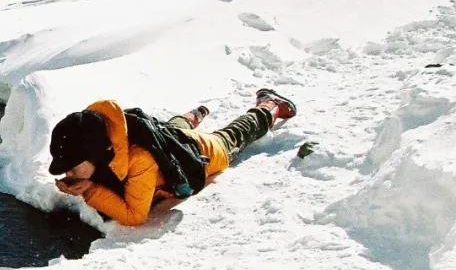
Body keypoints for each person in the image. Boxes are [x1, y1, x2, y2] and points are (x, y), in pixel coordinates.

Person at [50, 89, 296, 225]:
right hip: (170, 136)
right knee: (170, 129)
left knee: (233, 136)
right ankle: (193, 116)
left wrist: (90, 190)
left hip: (202, 151)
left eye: (72, 168)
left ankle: (268, 106)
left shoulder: (140, 160)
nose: (68, 174)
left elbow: (135, 215)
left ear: (94, 155)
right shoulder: (109, 139)